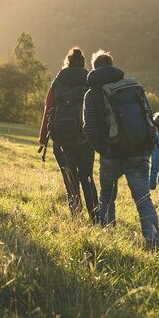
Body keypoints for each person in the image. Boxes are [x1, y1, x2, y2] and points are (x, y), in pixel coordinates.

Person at [82, 50, 159, 249]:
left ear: (95, 68)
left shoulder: (92, 94)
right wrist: (147, 148)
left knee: (107, 197)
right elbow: (150, 119)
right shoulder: (134, 88)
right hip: (139, 153)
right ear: (112, 65)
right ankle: (153, 242)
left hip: (111, 155)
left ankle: (108, 241)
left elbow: (90, 128)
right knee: (143, 198)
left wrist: (104, 149)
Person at [38, 47, 99, 223]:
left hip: (61, 140)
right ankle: (95, 219)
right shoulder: (89, 81)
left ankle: (76, 220)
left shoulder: (57, 82)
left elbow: (48, 109)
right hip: (84, 140)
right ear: (82, 63)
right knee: (87, 179)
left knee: (70, 181)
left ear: (67, 62)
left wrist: (43, 139)